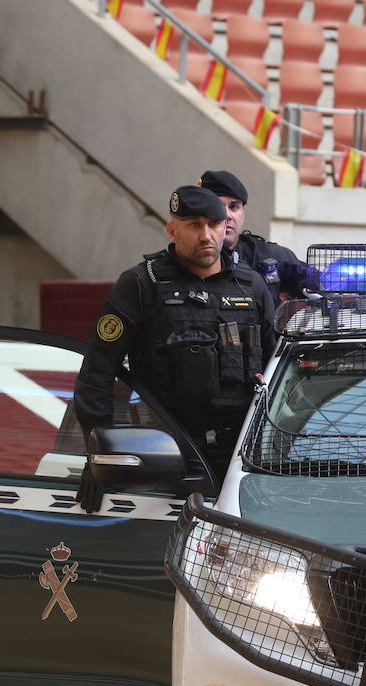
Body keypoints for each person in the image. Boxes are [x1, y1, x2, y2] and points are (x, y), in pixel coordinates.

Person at [71, 185, 278, 512]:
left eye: (214, 224)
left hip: (241, 457)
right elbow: (97, 372)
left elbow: (277, 373)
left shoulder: (251, 286)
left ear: (226, 227)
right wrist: (101, 454)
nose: (206, 234)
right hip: (166, 455)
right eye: (194, 225)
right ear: (172, 229)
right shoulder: (142, 284)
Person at [198, 169, 321, 300]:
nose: (227, 215)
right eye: (218, 207)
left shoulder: (269, 256)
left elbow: (310, 280)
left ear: (243, 212)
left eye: (234, 207)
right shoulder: (186, 258)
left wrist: (327, 281)